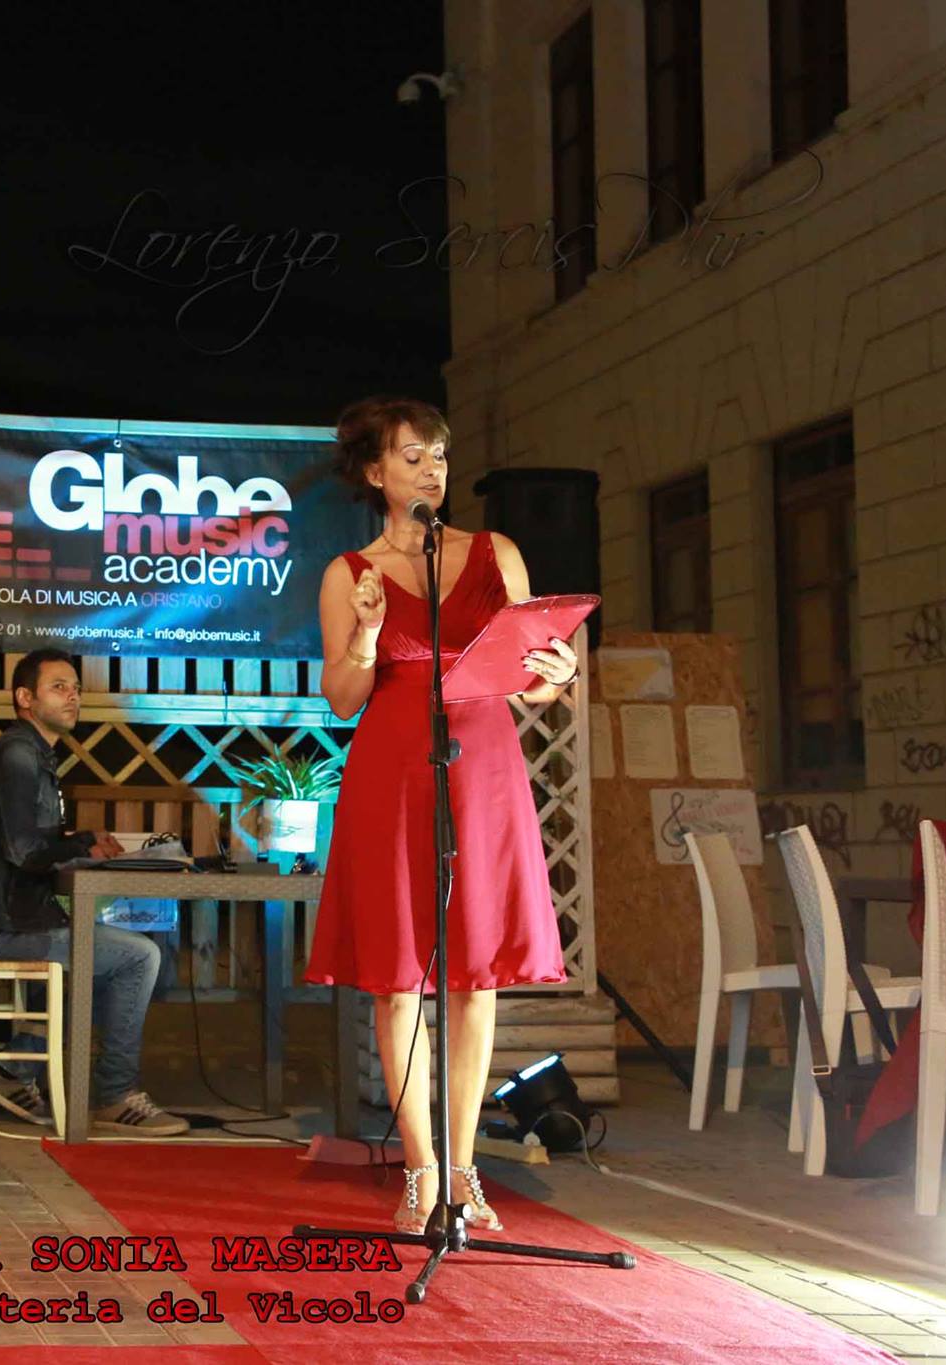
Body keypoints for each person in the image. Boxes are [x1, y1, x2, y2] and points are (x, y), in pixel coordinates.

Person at [302, 396, 577, 1234]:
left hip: (482, 768)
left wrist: (556, 674)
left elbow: (531, 675)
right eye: (412, 455)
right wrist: (365, 635)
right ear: (375, 471)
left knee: (474, 974)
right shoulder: (350, 572)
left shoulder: (496, 553)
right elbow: (343, 697)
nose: (431, 470)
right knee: (398, 979)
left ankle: (464, 1173)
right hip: (393, 769)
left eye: (440, 456)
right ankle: (420, 1173)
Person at [0, 648, 189, 1137]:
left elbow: (31, 842)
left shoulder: (31, 752)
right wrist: (79, 845)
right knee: (139, 956)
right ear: (25, 698)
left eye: (76, 688)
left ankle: (15, 1069)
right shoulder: (18, 754)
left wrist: (82, 842)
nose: (73, 696)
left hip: (12, 918)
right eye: (59, 687)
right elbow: (24, 850)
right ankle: (115, 1095)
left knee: (116, 949)